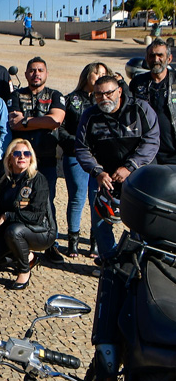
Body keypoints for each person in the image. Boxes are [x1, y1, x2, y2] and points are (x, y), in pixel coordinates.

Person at [76, 75, 159, 259]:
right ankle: (110, 261)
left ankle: (137, 262)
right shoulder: (90, 116)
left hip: (138, 178)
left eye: (108, 93)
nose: (104, 98)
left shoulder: (140, 109)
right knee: (99, 223)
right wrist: (97, 171)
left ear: (119, 91)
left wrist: (131, 166)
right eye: (98, 94)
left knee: (139, 225)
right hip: (105, 179)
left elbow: (152, 141)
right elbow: (82, 148)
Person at [7, 57, 66, 263]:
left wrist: (26, 121)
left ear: (46, 73)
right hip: (21, 160)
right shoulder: (16, 95)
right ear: (25, 74)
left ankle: (52, 244)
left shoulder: (55, 95)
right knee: (19, 200)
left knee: (47, 203)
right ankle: (19, 242)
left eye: (40, 70)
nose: (36, 74)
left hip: (46, 158)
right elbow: (13, 124)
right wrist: (39, 122)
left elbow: (55, 120)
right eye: (32, 70)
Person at [57, 62, 111, 257]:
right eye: (96, 73)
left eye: (103, 73)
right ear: (87, 75)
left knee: (97, 199)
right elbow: (60, 129)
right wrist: (76, 143)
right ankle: (73, 240)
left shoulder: (107, 101)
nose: (99, 76)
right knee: (77, 198)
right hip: (75, 156)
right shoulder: (71, 99)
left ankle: (96, 241)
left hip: (100, 159)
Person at [0, 140, 56, 290]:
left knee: (15, 232)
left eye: (26, 153)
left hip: (41, 230)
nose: (22, 157)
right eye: (17, 153)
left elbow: (36, 216)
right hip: (12, 229)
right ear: (9, 158)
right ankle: (28, 257)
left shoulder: (38, 180)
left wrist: (8, 216)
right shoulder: (5, 180)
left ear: (31, 157)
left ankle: (24, 271)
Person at [129, 39, 176, 165]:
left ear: (169, 59)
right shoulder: (137, 83)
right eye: (152, 55)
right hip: (147, 150)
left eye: (160, 55)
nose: (156, 59)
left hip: (173, 151)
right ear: (146, 59)